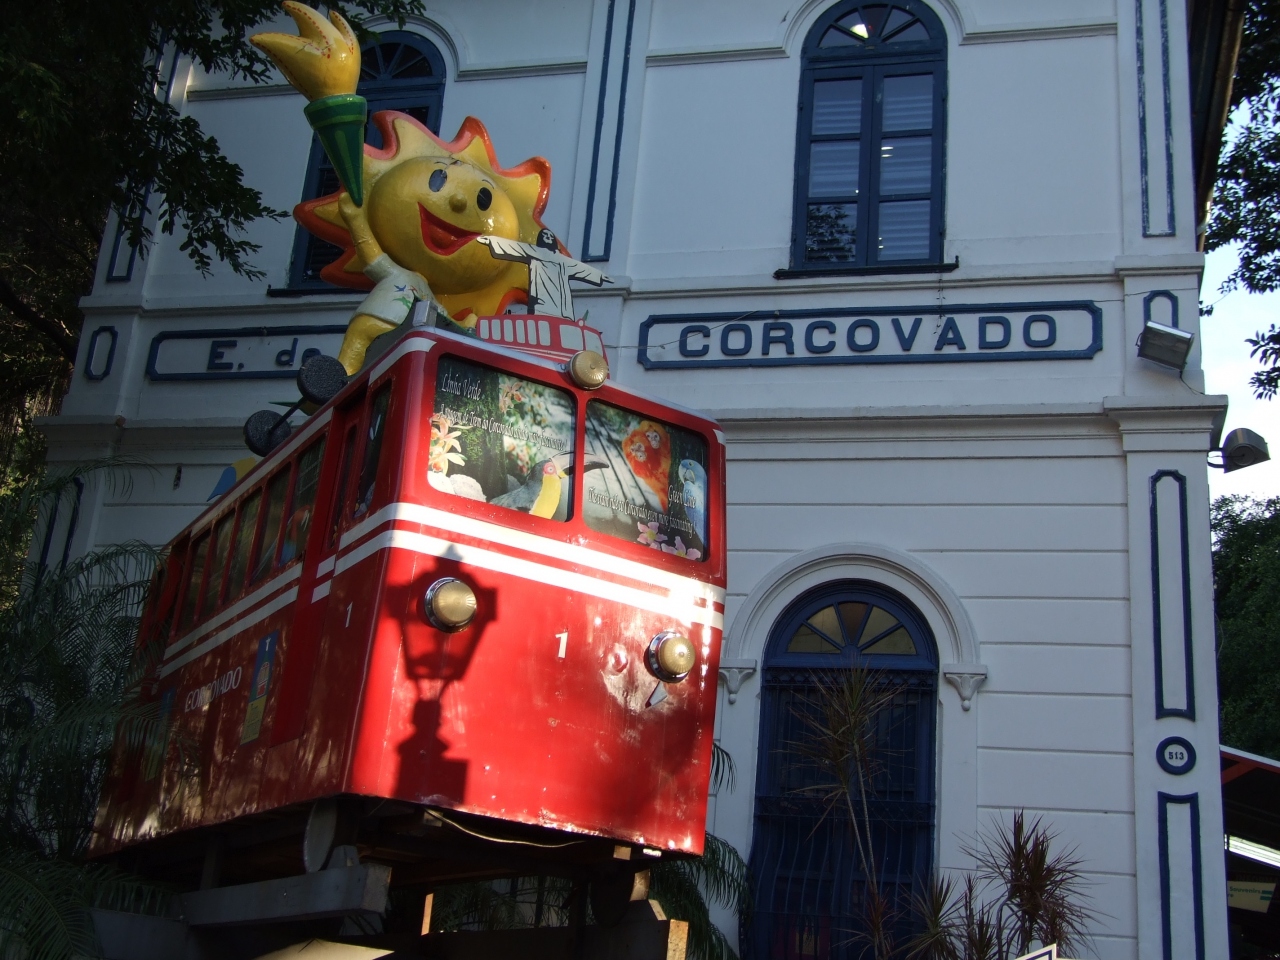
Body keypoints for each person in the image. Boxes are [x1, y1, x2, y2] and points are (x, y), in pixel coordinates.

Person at [477, 229, 611, 320]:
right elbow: (515, 247)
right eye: (545, 236)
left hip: (563, 312)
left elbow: (582, 269)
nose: (548, 238)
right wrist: (491, 241)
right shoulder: (536, 252)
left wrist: (600, 276)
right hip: (543, 307)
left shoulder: (562, 260)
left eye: (549, 236)